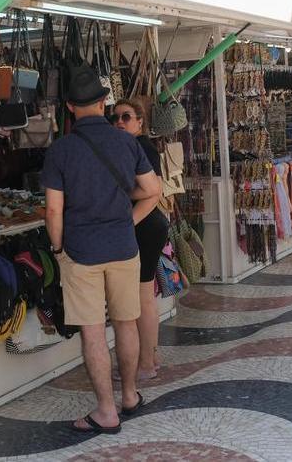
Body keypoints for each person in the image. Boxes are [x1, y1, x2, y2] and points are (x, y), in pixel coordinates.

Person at [42, 66, 161, 435]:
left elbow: (53, 210)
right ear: (103, 101)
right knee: (126, 323)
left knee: (93, 332)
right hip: (124, 248)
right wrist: (126, 215)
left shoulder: (60, 151)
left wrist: (58, 248)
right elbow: (152, 189)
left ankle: (106, 411)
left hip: (82, 253)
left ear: (69, 107)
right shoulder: (127, 143)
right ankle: (129, 395)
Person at [110, 99, 169, 382]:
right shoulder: (131, 147)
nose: (119, 122)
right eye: (115, 117)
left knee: (143, 297)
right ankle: (150, 357)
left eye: (126, 117)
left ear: (139, 122)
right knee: (142, 296)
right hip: (146, 225)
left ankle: (145, 363)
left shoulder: (142, 146)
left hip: (145, 226)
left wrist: (120, 195)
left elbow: (153, 189)